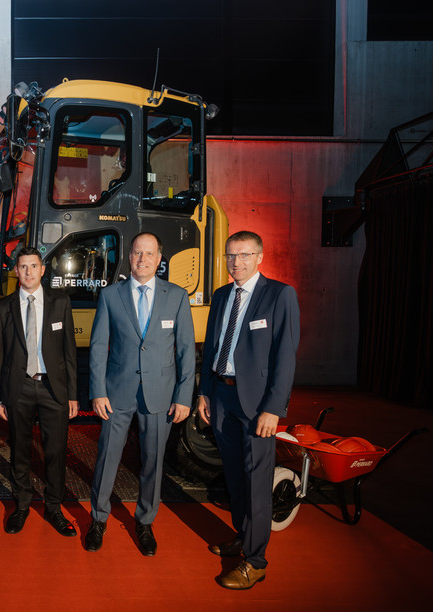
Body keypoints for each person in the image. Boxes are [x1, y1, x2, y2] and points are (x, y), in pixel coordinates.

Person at [196, 230, 299, 589]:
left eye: (243, 255)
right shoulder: (222, 295)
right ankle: (242, 534)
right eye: (230, 256)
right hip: (222, 398)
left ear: (260, 256)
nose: (235, 262)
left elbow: (285, 357)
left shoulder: (279, 295)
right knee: (235, 475)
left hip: (257, 406)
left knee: (257, 481)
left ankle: (255, 561)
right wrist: (204, 393)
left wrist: (274, 408)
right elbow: (211, 348)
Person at [84, 232, 195, 555]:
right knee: (107, 458)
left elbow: (186, 350)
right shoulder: (110, 296)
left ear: (159, 259)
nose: (142, 259)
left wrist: (184, 396)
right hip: (117, 393)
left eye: (149, 254)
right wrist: (98, 391)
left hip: (160, 395)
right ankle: (98, 519)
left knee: (153, 462)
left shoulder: (176, 296)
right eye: (137, 253)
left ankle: (145, 521)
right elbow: (97, 348)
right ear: (129, 257)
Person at [0, 246, 79, 537]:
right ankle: (21, 505)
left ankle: (54, 507)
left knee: (55, 451)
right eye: (23, 267)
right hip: (17, 388)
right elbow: (0, 354)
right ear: (15, 271)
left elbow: (69, 351)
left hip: (53, 388)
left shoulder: (60, 302)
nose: (28, 272)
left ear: (43, 270)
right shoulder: (3, 306)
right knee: (20, 450)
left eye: (33, 266)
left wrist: (73, 395)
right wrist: (0, 396)